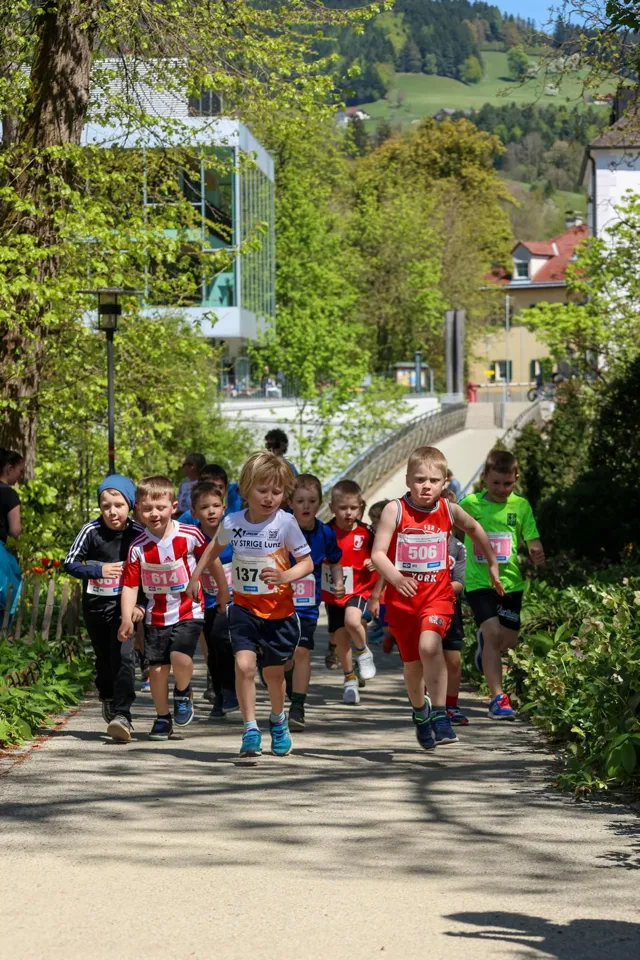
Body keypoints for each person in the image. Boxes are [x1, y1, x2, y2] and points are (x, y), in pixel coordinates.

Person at [371, 445, 503, 751]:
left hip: (437, 598)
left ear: (444, 483)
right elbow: (378, 553)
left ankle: (441, 715)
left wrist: (493, 563)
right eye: (419, 479)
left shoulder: (448, 509)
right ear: (407, 480)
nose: (426, 485)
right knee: (413, 666)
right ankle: (421, 713)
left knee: (430, 646)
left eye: (433, 480)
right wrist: (396, 578)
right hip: (403, 602)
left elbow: (475, 528)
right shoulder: (396, 510)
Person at [187, 451, 313, 759]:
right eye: (262, 490)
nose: (270, 498)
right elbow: (212, 549)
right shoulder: (233, 522)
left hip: (278, 612)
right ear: (245, 489)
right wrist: (195, 577)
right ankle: (250, 729)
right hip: (243, 608)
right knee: (243, 665)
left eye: (277, 491)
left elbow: (307, 563)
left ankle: (278, 721)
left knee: (273, 675)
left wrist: (285, 574)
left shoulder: (286, 523)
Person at [118, 475, 230, 740]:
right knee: (157, 669)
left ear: (174, 505)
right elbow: (130, 586)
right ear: (139, 511)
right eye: (147, 509)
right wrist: (126, 618)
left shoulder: (190, 535)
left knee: (181, 657)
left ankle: (182, 691)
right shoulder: (137, 547)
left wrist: (223, 591)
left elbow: (211, 560)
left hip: (189, 610)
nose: (154, 513)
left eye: (160, 507)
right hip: (156, 616)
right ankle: (162, 718)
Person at [459, 448, 545, 720]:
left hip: (510, 584)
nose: (501, 489)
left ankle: (484, 647)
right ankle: (498, 698)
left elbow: (531, 537)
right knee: (494, 633)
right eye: (495, 483)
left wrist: (536, 551)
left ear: (516, 478)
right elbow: (450, 526)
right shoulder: (470, 503)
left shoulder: (520, 506)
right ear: (485, 478)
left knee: (506, 642)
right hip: (478, 582)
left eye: (508, 483)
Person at [64, 474, 144, 742]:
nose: (112, 511)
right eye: (106, 505)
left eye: (118, 505)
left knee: (124, 658)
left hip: (126, 609)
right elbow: (70, 563)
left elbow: (149, 572)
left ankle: (123, 715)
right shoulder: (91, 531)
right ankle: (108, 695)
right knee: (105, 661)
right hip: (97, 606)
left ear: (129, 505)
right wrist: (98, 569)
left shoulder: (139, 534)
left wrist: (140, 605)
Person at [285, 474, 344, 730]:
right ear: (290, 503)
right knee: (284, 658)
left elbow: (335, 560)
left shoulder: (326, 533)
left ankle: (297, 706)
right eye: (300, 501)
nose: (306, 506)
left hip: (307, 606)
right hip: (278, 605)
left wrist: (338, 582)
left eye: (312, 501)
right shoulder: (279, 528)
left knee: (302, 651)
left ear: (320, 503)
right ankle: (286, 677)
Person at [321, 479, 377, 706]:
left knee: (353, 621)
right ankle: (350, 681)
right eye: (343, 508)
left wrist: (373, 560)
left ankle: (363, 653)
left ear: (361, 508)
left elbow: (381, 552)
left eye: (353, 508)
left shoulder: (366, 533)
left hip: (360, 590)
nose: (348, 513)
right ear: (332, 508)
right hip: (334, 594)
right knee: (341, 639)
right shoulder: (325, 532)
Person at [190, 480, 238, 718]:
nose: (211, 511)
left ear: (224, 509)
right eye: (204, 507)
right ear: (194, 513)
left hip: (234, 599)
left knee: (224, 640)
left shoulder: (232, 532)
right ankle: (219, 696)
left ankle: (230, 691)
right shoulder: (192, 536)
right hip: (204, 601)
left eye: (216, 505)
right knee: (213, 648)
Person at [441, 490, 468, 726]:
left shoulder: (458, 547)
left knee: (453, 660)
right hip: (423, 610)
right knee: (427, 655)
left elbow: (459, 583)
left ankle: (451, 705)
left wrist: (439, 591)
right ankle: (431, 703)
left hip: (450, 609)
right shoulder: (415, 541)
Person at [0, 449, 24, 620]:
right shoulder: (9, 493)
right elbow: (15, 530)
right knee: (6, 596)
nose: (20, 476)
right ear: (9, 468)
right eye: (19, 471)